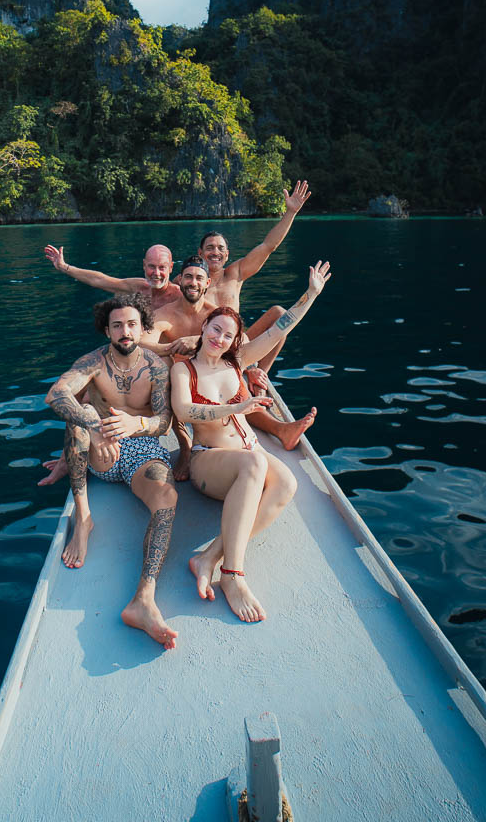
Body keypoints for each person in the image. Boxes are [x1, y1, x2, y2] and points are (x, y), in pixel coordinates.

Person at [170, 259, 331, 623]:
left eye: (228, 335)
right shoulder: (185, 369)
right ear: (204, 327)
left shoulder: (237, 361)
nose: (220, 339)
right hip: (209, 459)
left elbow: (281, 326)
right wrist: (238, 405)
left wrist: (311, 294)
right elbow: (183, 412)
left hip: (247, 455)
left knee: (287, 483)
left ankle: (209, 557)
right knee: (257, 462)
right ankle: (233, 574)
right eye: (215, 330)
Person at [44, 293, 178, 649]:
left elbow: (164, 422)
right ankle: (84, 519)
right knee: (76, 423)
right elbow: (56, 394)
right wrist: (91, 423)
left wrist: (138, 422)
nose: (125, 331)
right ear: (107, 329)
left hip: (141, 447)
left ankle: (144, 599)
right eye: (117, 325)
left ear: (142, 327)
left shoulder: (155, 367)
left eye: (132, 324)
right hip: (101, 448)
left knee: (166, 498)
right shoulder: (92, 363)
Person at [141, 256, 317, 475]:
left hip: (215, 375)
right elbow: (141, 342)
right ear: (180, 280)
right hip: (183, 377)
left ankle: (278, 429)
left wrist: (311, 294)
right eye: (188, 277)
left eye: (198, 278)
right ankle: (186, 447)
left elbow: (256, 337)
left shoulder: (214, 315)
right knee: (165, 367)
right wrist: (174, 348)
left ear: (207, 283)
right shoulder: (166, 314)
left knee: (283, 481)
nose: (193, 282)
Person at [188, 180, 312, 372]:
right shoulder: (191, 282)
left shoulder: (235, 273)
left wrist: (291, 213)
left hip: (238, 345)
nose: (215, 252)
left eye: (220, 248)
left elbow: (268, 246)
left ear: (227, 255)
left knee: (280, 314)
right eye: (210, 248)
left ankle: (261, 375)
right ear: (200, 253)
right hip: (207, 347)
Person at [44, 242, 181, 310]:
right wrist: (64, 267)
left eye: (162, 267)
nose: (156, 273)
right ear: (144, 265)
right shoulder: (138, 287)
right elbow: (99, 280)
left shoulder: (179, 296)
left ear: (171, 268)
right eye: (152, 266)